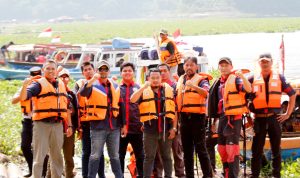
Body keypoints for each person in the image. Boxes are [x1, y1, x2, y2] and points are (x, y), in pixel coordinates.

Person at [19, 59, 73, 178]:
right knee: (39, 157)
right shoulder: (37, 84)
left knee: (57, 157)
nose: (50, 71)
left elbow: (67, 106)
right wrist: (24, 86)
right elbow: (24, 97)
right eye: (48, 68)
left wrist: (69, 125)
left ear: (56, 70)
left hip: (58, 124)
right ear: (43, 70)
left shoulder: (61, 85)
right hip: (41, 125)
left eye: (53, 68)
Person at [249, 53, 296, 178]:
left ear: (271, 62)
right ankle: (255, 175)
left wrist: (288, 114)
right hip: (258, 119)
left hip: (274, 118)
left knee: (276, 149)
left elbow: (292, 94)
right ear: (258, 62)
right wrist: (249, 115)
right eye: (262, 61)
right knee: (256, 151)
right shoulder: (251, 78)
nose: (264, 63)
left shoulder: (279, 77)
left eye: (267, 61)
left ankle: (276, 175)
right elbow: (242, 98)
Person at [207, 57, 252, 178]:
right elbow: (216, 104)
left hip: (234, 118)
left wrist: (242, 77)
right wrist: (213, 122)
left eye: (226, 65)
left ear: (231, 67)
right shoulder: (219, 82)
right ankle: (226, 173)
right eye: (221, 65)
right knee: (221, 148)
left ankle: (233, 175)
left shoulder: (236, 79)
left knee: (232, 149)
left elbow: (248, 89)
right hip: (221, 118)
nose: (223, 67)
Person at [79, 60, 123, 178]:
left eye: (105, 69)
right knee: (95, 156)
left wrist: (123, 125)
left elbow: (120, 106)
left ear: (108, 71)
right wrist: (92, 79)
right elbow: (82, 93)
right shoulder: (91, 84)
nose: (103, 71)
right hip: (98, 127)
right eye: (101, 69)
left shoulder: (115, 85)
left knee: (114, 156)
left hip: (114, 127)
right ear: (97, 71)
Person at [131, 69, 177, 178]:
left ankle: (168, 176)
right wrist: (143, 87)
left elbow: (174, 111)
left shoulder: (168, 90)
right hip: (149, 131)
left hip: (166, 129)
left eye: (157, 78)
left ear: (161, 78)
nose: (155, 80)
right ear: (148, 79)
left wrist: (174, 128)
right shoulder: (143, 90)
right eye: (153, 78)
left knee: (167, 156)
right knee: (149, 157)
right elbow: (132, 100)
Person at [176, 56, 212, 178]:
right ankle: (189, 175)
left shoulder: (202, 80)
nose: (189, 67)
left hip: (198, 118)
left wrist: (194, 87)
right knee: (187, 150)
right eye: (186, 65)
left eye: (192, 65)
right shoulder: (181, 79)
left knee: (201, 148)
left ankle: (208, 175)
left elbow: (206, 93)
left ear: (196, 66)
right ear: (183, 66)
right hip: (184, 118)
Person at [11, 66, 49, 178]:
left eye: (38, 75)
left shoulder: (44, 86)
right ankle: (32, 169)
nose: (35, 78)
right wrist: (25, 87)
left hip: (41, 121)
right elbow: (13, 100)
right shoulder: (25, 87)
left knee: (41, 148)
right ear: (29, 76)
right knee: (25, 146)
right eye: (33, 75)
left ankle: (43, 172)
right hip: (28, 121)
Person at [153, 63, 185, 178]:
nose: (162, 73)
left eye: (164, 71)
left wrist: (175, 127)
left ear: (168, 72)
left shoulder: (175, 86)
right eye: (160, 71)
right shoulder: (153, 88)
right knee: (160, 153)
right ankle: (159, 175)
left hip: (173, 122)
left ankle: (180, 174)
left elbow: (177, 108)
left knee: (177, 151)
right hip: (159, 125)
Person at [75, 61, 106, 178]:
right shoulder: (79, 84)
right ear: (83, 73)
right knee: (86, 151)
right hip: (85, 122)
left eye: (90, 69)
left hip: (98, 122)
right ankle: (85, 175)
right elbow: (76, 98)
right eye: (85, 70)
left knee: (100, 151)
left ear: (94, 70)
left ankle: (102, 175)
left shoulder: (102, 84)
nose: (88, 71)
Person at [118, 62, 144, 178]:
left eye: (129, 70)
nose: (127, 72)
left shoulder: (139, 88)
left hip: (137, 128)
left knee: (140, 156)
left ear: (133, 72)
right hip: (120, 129)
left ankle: (140, 176)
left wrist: (143, 123)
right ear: (121, 73)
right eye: (125, 71)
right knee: (119, 156)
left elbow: (144, 107)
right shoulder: (116, 89)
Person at [58, 68, 79, 178]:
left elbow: (76, 112)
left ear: (69, 79)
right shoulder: (54, 92)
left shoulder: (72, 94)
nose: (64, 79)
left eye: (66, 77)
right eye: (62, 76)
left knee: (69, 157)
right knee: (53, 156)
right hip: (56, 129)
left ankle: (69, 175)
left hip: (69, 130)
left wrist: (77, 128)